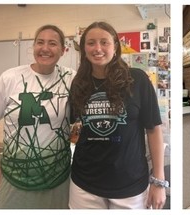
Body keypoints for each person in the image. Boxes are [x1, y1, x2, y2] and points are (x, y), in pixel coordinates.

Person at [68, 21, 166, 209]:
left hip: (129, 184)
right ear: (84, 49)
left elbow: (153, 129)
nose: (98, 48)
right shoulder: (79, 83)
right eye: (91, 43)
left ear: (115, 46)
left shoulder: (137, 79)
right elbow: (76, 126)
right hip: (84, 182)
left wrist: (158, 180)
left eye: (104, 42)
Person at [0, 24, 74, 209]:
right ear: (33, 47)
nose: (45, 48)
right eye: (40, 42)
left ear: (63, 50)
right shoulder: (10, 78)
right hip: (14, 175)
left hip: (57, 176)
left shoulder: (71, 78)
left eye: (53, 43)